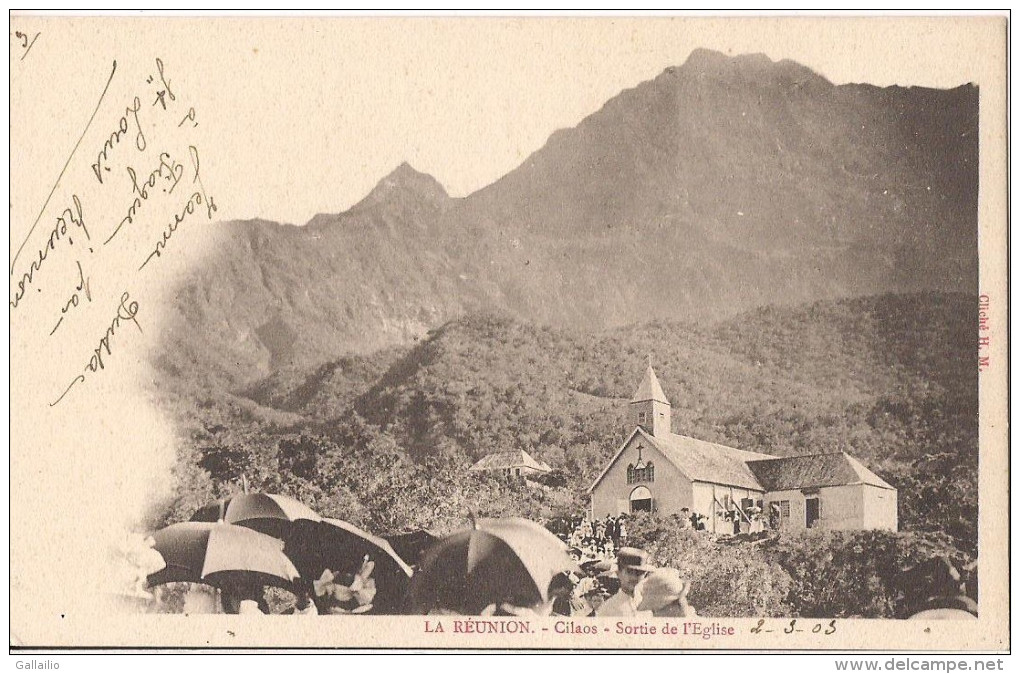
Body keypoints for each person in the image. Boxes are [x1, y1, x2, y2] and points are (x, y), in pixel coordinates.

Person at [596, 547, 654, 617]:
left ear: (645, 575)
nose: (634, 577)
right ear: (618, 573)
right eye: (629, 572)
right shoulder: (608, 609)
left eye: (639, 573)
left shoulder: (649, 605)